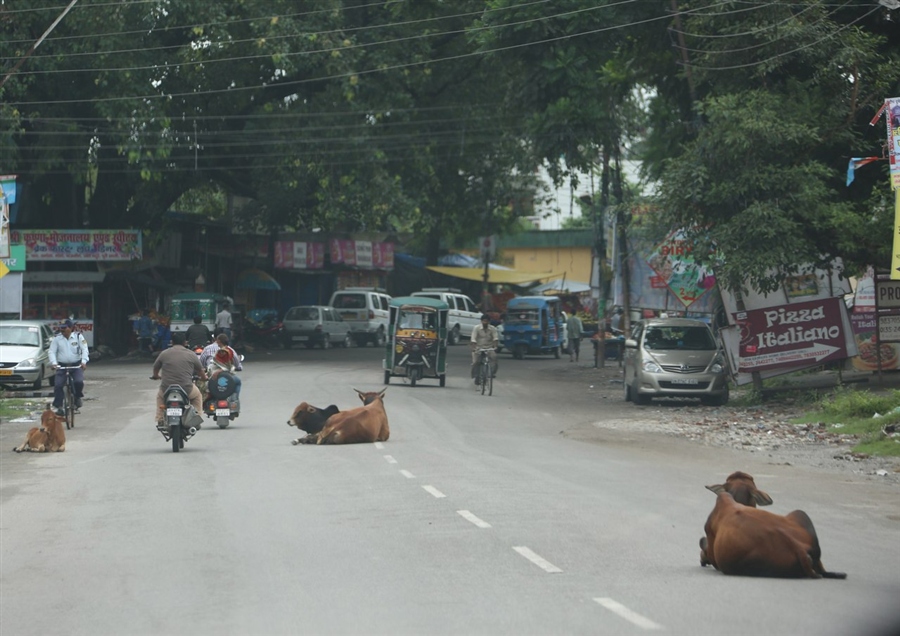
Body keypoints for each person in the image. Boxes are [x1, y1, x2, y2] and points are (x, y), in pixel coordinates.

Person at [151, 332, 207, 430]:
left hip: (167, 388)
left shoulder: (164, 353)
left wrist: (156, 376)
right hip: (187, 388)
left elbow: (156, 367)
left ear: (172, 342)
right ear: (185, 342)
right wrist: (204, 378)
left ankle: (160, 419)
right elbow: (200, 370)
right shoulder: (191, 354)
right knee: (197, 396)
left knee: (160, 397)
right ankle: (196, 418)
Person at [48, 319, 89, 415]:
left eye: (64, 328)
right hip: (61, 366)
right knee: (58, 385)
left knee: (78, 382)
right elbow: (52, 351)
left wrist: (83, 362)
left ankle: (77, 398)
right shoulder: (57, 339)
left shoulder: (78, 337)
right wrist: (54, 363)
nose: (62, 330)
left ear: (70, 328)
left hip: (76, 365)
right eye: (61, 328)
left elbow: (85, 350)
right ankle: (59, 406)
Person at [470, 313, 499, 384]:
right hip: (478, 347)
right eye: (484, 321)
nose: (485, 323)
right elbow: (473, 338)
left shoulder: (492, 328)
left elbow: (495, 338)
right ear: (481, 321)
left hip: (489, 347)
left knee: (494, 358)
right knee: (476, 362)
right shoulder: (476, 328)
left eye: (486, 321)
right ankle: (476, 376)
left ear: (489, 322)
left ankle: (492, 373)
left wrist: (495, 347)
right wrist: (474, 347)